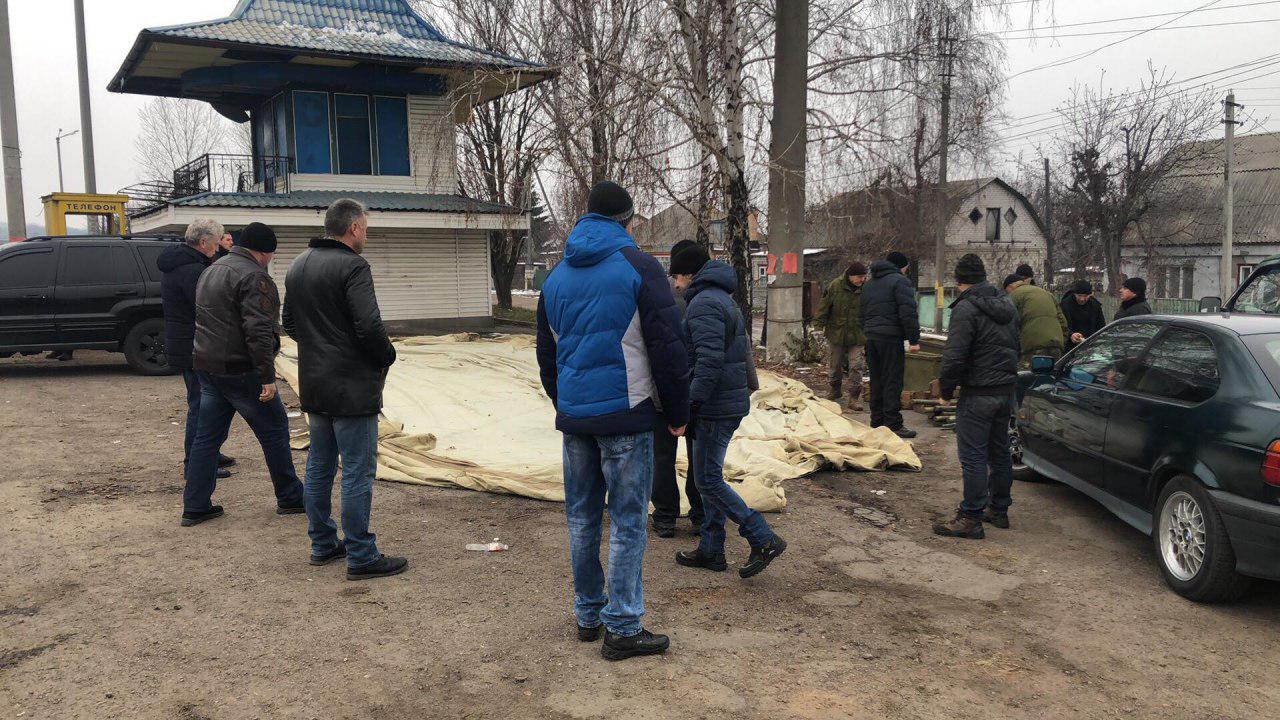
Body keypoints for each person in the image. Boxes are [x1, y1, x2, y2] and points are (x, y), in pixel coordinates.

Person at [536, 181, 689, 661]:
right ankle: (622, 625)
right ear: (627, 220)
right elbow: (667, 346)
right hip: (626, 415)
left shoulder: (556, 277)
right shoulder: (639, 267)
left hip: (576, 419)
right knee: (627, 521)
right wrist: (677, 412)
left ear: (587, 216)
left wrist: (567, 403)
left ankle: (588, 613)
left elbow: (546, 356)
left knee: (582, 518)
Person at [283, 198, 406, 581]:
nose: (366, 234)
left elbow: (289, 323)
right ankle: (361, 555)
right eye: (365, 228)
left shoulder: (298, 264)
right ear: (353, 228)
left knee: (319, 466)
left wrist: (320, 348)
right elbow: (369, 326)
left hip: (315, 384)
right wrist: (386, 356)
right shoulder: (353, 266)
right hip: (351, 388)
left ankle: (322, 544)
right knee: (356, 471)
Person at [668, 243, 786, 579]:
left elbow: (708, 361)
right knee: (709, 476)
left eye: (677, 275)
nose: (675, 283)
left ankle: (762, 537)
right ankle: (711, 548)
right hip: (723, 401)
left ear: (689, 274)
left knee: (707, 479)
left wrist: (689, 405)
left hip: (714, 405)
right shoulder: (720, 297)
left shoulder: (704, 303)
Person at [181, 222, 304, 527]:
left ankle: (195, 505)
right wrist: (267, 376)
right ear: (262, 251)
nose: (270, 260)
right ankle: (290, 497)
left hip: (208, 367)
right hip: (241, 370)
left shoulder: (211, 269)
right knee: (275, 431)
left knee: (206, 439)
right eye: (271, 254)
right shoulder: (254, 277)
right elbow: (258, 331)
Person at [932, 254, 1020, 539]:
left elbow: (954, 356)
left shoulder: (966, 308)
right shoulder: (1006, 304)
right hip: (1005, 390)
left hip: (978, 392)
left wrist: (946, 390)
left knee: (973, 457)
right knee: (1000, 452)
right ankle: (999, 509)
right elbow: (1015, 345)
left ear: (959, 280)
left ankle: (970, 517)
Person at [158, 219, 236, 481]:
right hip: (194, 346)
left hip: (188, 344)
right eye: (216, 242)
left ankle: (208, 453)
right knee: (201, 406)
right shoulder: (192, 271)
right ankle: (195, 463)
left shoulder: (185, 263)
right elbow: (209, 309)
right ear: (203, 242)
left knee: (207, 403)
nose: (218, 247)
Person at [650, 239, 705, 539]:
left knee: (662, 457)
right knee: (700, 458)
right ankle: (700, 515)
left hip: (664, 390)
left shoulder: (660, 298)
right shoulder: (718, 298)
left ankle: (665, 516)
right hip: (700, 391)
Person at [859, 251, 920, 438]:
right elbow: (908, 312)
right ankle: (893, 424)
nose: (906, 271)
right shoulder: (900, 281)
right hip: (891, 339)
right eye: (906, 268)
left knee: (877, 380)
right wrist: (914, 339)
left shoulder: (869, 284)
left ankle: (877, 422)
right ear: (901, 266)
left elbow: (861, 313)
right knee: (892, 380)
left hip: (872, 338)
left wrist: (868, 331)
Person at [816, 262, 868, 411]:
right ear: (850, 276)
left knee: (856, 366)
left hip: (858, 334)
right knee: (835, 365)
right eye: (859, 277)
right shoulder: (835, 286)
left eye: (864, 277)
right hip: (836, 333)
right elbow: (823, 307)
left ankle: (854, 397)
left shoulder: (866, 289)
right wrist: (818, 326)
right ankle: (835, 390)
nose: (862, 280)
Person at [1004, 273, 1068, 368]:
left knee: (1030, 375)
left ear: (1010, 286)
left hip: (1031, 348)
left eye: (1006, 291)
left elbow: (1009, 324)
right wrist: (1061, 342)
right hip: (1056, 344)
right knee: (1052, 374)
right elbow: (1062, 322)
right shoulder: (1047, 294)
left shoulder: (1014, 295)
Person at [1061, 280, 1107, 349]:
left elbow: (1101, 327)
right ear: (1074, 294)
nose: (1082, 299)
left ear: (1090, 295)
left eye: (1085, 296)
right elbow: (1061, 326)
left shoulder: (1095, 306)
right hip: (1070, 348)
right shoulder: (1065, 305)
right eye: (1079, 295)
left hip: (1091, 346)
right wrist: (1071, 334)